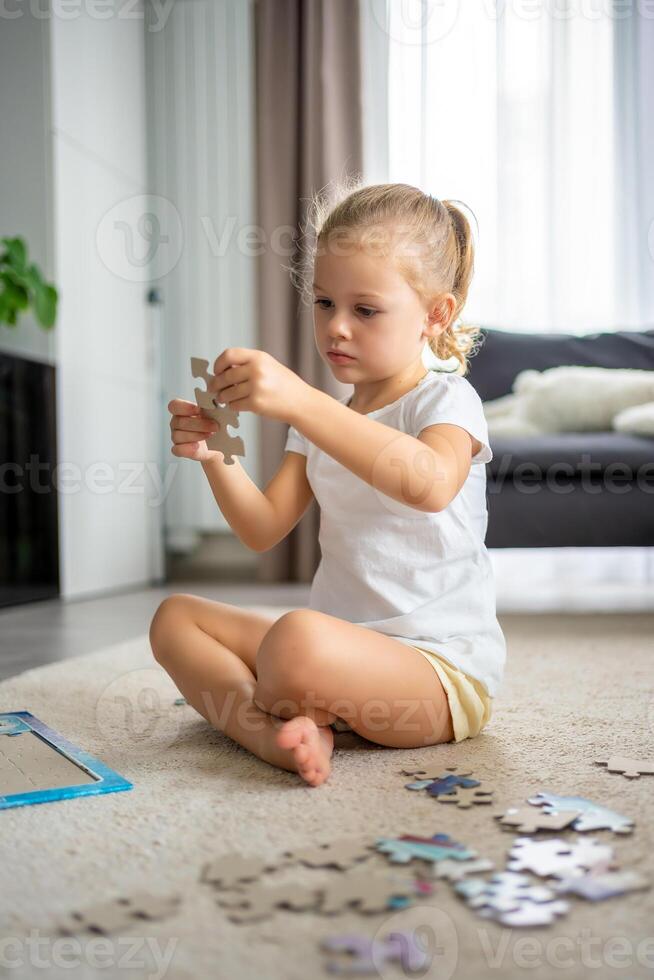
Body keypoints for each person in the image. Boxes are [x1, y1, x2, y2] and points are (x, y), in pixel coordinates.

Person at [150, 180, 506, 788]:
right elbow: (263, 530)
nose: (337, 327)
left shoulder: (447, 399)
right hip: (336, 648)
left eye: (364, 310)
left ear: (435, 314)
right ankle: (279, 735)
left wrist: (301, 403)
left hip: (436, 675)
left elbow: (429, 484)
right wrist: (215, 454)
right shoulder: (320, 418)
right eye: (323, 303)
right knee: (176, 618)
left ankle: (285, 706)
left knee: (295, 643)